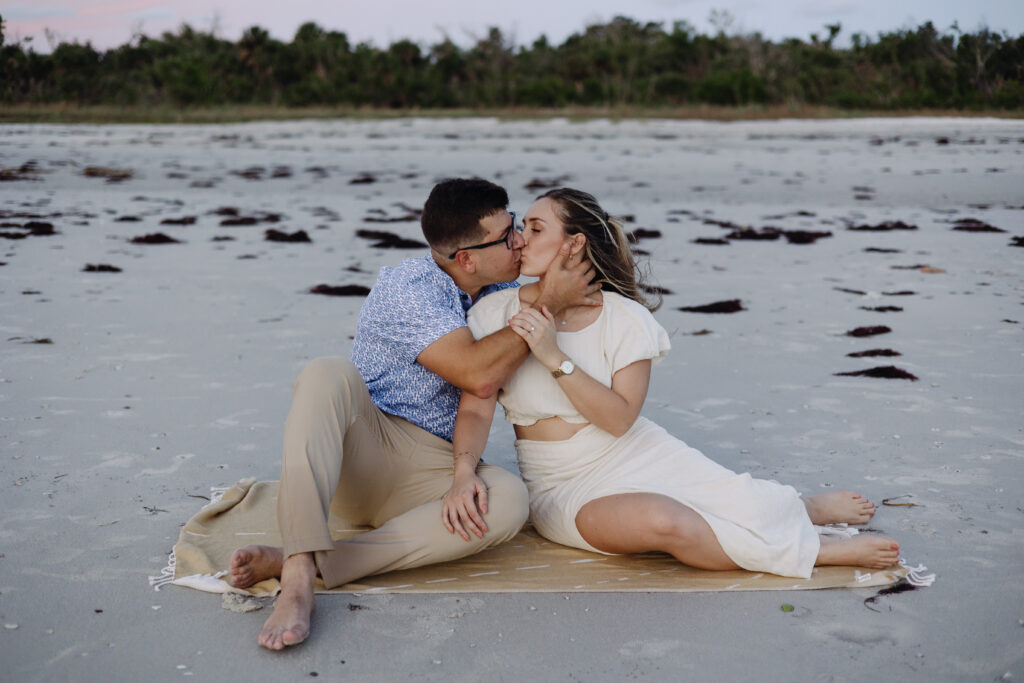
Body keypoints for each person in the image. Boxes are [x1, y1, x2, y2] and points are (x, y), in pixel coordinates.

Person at [455, 187, 900, 581]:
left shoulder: (626, 319)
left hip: (632, 451)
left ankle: (802, 507)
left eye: (534, 229)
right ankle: (816, 551)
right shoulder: (493, 316)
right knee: (672, 523)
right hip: (559, 484)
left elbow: (619, 420)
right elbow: (476, 404)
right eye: (520, 228)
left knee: (740, 499)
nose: (518, 239)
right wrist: (462, 473)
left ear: (573, 244)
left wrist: (553, 355)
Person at [228, 178, 598, 650]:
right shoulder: (408, 289)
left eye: (518, 227)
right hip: (365, 451)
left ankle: (317, 560)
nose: (520, 240)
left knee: (508, 500)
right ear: (466, 258)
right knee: (325, 373)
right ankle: (298, 576)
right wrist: (548, 301)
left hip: (435, 467)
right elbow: (477, 375)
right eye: (508, 236)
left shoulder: (500, 283)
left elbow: (572, 277)